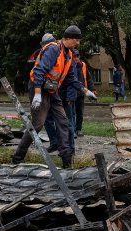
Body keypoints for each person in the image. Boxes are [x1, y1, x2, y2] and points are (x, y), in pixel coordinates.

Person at [13, 25, 87, 168]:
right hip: (38, 88)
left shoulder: (69, 54)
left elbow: (71, 78)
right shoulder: (53, 49)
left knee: (63, 121)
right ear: (68, 38)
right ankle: (18, 157)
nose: (77, 43)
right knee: (38, 124)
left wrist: (84, 90)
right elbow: (39, 71)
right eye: (76, 40)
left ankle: (66, 160)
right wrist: (38, 94)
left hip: (52, 91)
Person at [72, 50, 95, 137]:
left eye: (77, 56)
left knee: (80, 113)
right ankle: (72, 130)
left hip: (81, 93)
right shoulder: (69, 65)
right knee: (72, 113)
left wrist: (92, 89)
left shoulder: (83, 65)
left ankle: (78, 129)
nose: (76, 58)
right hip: (72, 93)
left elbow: (88, 78)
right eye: (74, 56)